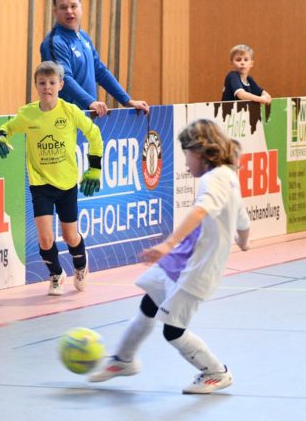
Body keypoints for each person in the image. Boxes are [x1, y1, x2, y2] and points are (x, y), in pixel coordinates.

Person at [88, 119, 251, 394]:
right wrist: (243, 242)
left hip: (197, 270)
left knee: (173, 330)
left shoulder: (214, 178)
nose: (186, 163)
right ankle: (123, 360)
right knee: (149, 304)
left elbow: (201, 210)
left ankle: (216, 372)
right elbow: (243, 220)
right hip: (181, 260)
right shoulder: (228, 177)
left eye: (186, 154)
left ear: (199, 152)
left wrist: (168, 243)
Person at [0, 61, 103, 296]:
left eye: (52, 82)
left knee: (70, 236)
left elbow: (94, 134)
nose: (47, 87)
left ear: (60, 85)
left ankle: (80, 265)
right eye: (42, 83)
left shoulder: (70, 112)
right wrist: (0, 137)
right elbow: (7, 127)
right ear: (36, 86)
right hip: (40, 184)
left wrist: (94, 168)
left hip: (67, 183)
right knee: (45, 238)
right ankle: (56, 275)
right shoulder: (28, 114)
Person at [40, 0, 149, 118]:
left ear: (81, 8)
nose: (69, 11)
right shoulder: (54, 42)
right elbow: (63, 78)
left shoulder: (84, 37)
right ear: (55, 12)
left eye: (73, 6)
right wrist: (90, 102)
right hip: (65, 119)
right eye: (63, 7)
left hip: (88, 116)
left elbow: (101, 72)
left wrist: (127, 101)